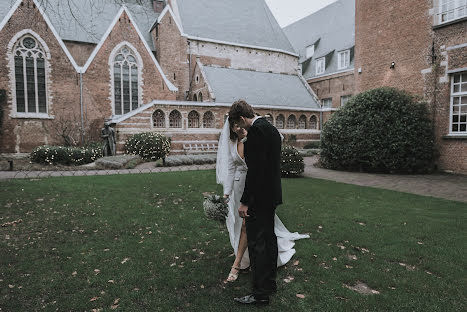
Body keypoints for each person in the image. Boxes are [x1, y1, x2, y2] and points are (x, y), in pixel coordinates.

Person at [217, 100, 308, 305]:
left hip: (258, 198)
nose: (240, 129)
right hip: (272, 195)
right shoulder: (272, 129)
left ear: (242, 118)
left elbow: (255, 173)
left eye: (239, 124)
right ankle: (270, 284)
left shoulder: (256, 132)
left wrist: (245, 202)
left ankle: (260, 294)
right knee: (270, 241)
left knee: (257, 245)